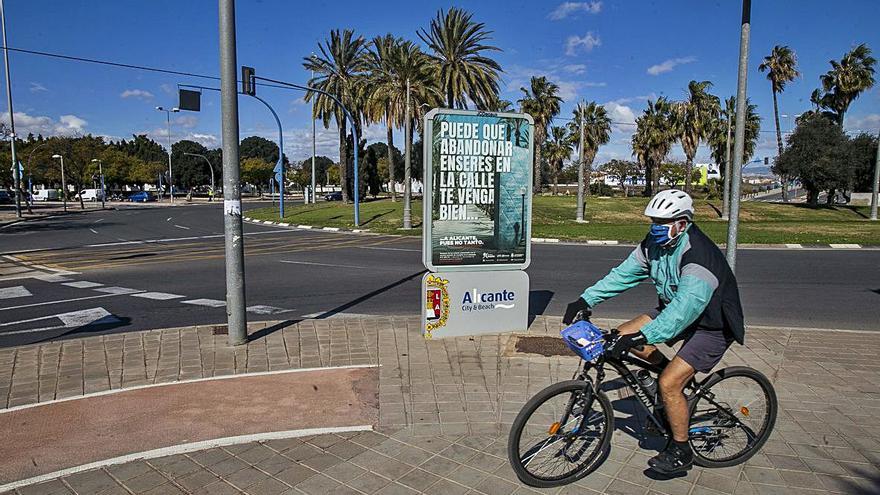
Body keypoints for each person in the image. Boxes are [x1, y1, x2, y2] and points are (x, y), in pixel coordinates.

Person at [562, 189, 744, 475]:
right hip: (673, 310)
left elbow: (685, 309)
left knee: (670, 383)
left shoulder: (699, 257)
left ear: (682, 224)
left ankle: (681, 449)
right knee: (621, 334)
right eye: (653, 221)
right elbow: (625, 273)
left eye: (662, 222)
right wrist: (587, 298)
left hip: (712, 324)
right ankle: (665, 378)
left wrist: (645, 336)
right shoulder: (654, 244)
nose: (655, 227)